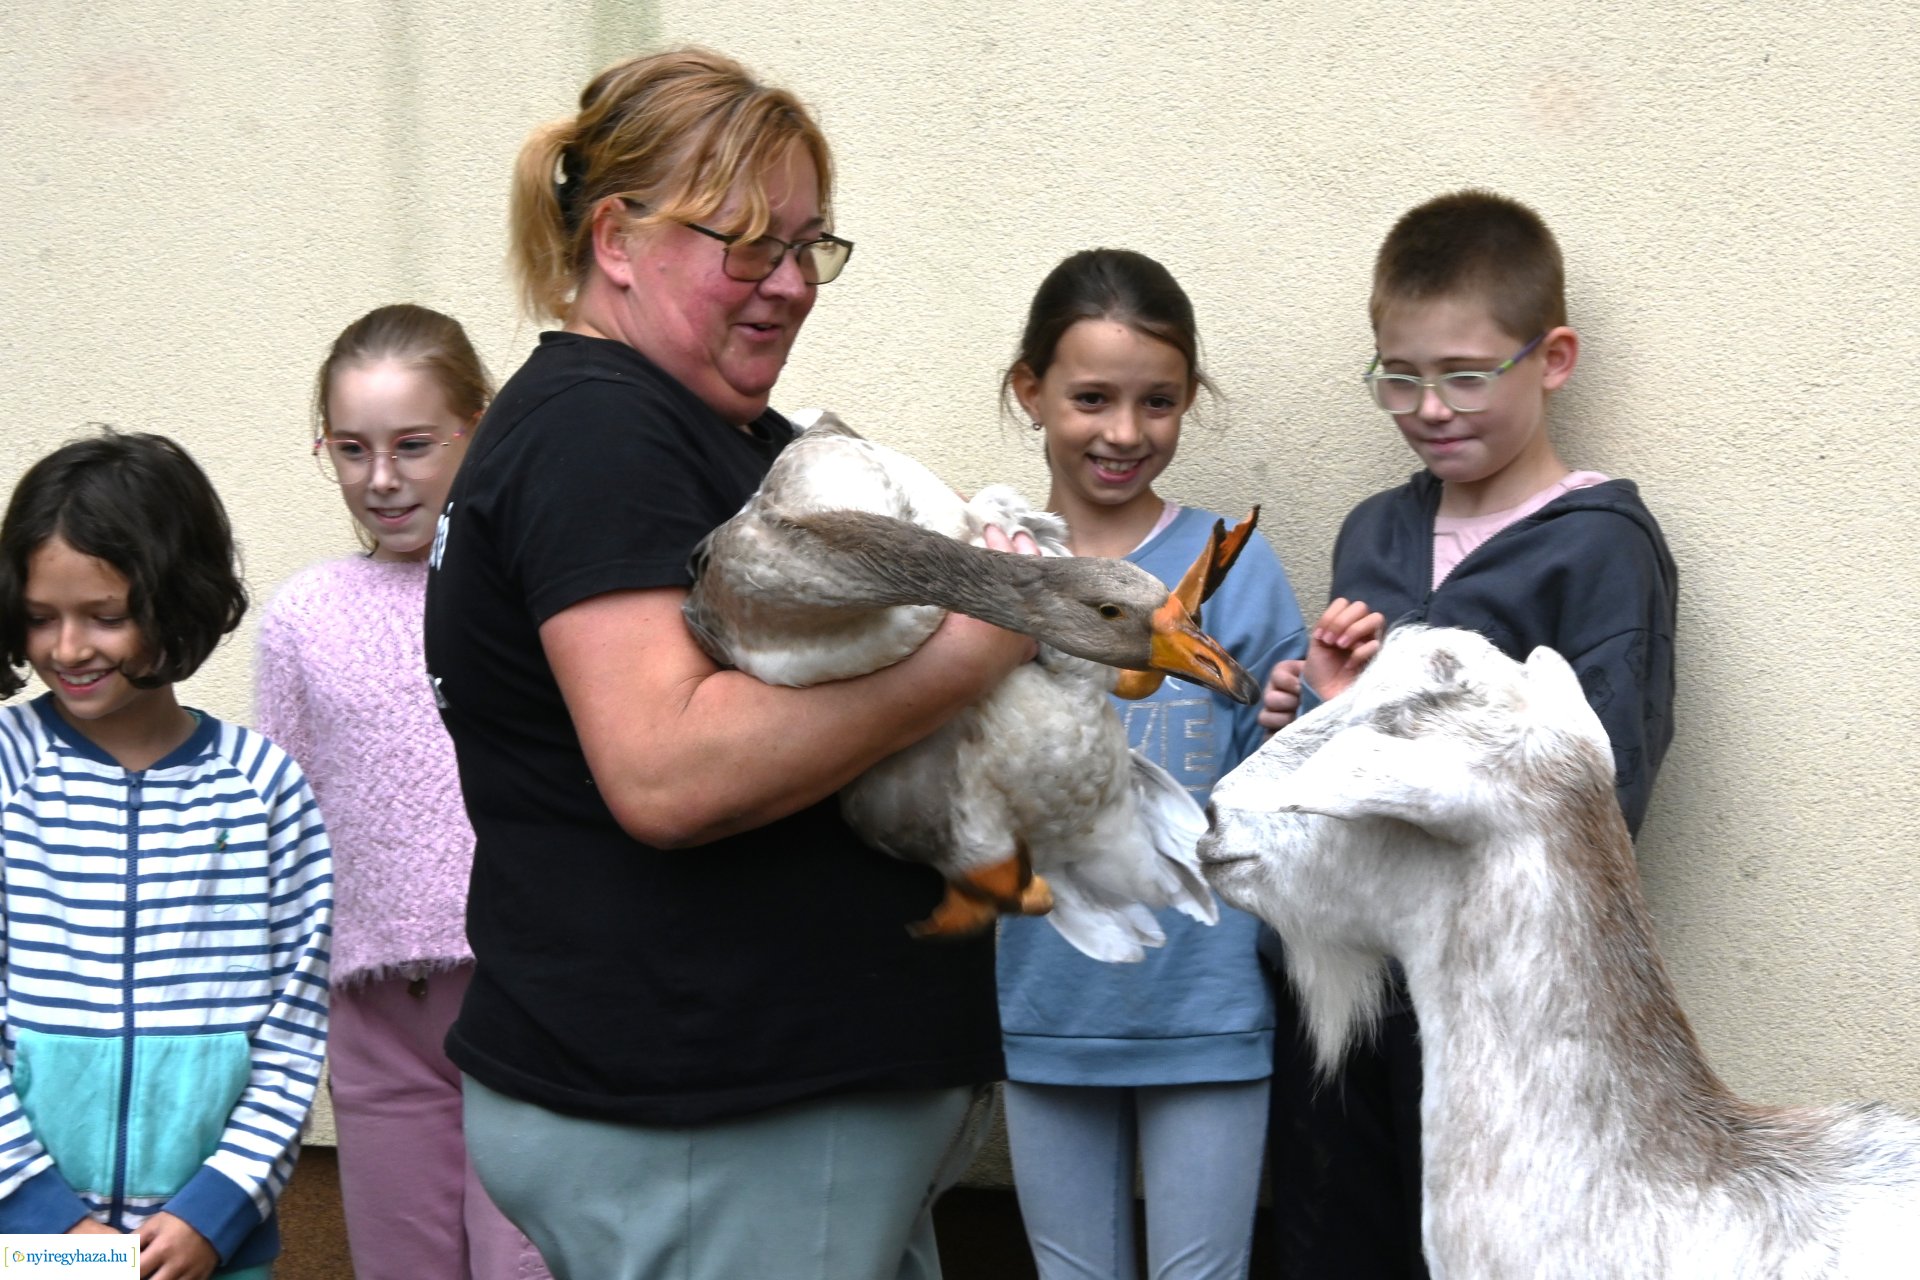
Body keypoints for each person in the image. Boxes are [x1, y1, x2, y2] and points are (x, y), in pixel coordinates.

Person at [420, 48, 1038, 1280]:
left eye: (811, 247)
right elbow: (668, 768)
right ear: (616, 239)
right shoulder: (600, 431)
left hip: (750, 1116)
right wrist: (974, 643)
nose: (791, 285)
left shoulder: (691, 426)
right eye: (750, 245)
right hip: (711, 1108)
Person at [1259, 189, 1679, 1278]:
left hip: (1502, 1012)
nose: (1429, 408)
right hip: (1347, 993)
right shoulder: (1374, 531)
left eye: (1464, 374)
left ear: (1554, 359)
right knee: (1332, 1243)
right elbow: (1342, 766)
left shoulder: (1600, 551)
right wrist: (1316, 712)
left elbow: (1597, 796)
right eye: (1398, 376)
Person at [994, 248, 1307, 1280]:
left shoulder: (1234, 564)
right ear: (1030, 390)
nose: (1125, 432)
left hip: (1207, 1003)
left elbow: (1279, 786)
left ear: (1188, 401)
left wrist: (1301, 714)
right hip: (1043, 1004)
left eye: (1157, 401)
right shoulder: (992, 566)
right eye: (1092, 398)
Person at [254, 304, 549, 1280]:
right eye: (351, 448)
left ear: (478, 427)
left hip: (524, 1000)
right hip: (374, 1016)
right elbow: (287, 830)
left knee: (525, 1262)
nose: (381, 478)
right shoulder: (304, 618)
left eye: (414, 445)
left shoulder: (530, 592)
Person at [0, 429, 333, 1280]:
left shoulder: (266, 790)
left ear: (178, 598)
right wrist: (43, 1218)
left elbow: (294, 1029)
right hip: (24, 1239)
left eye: (105, 616)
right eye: (39, 617)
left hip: (210, 1244)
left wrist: (215, 1212)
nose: (67, 648)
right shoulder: (5, 771)